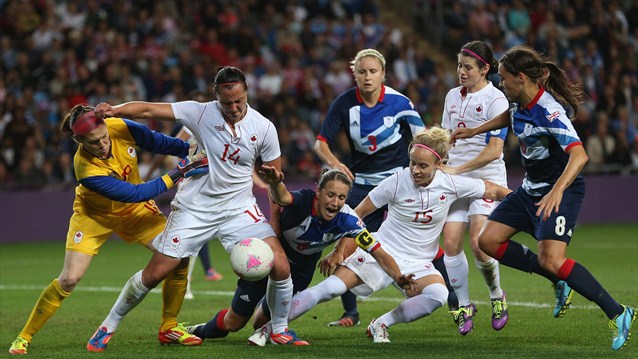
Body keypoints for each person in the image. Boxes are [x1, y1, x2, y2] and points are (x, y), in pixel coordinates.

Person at [87, 66, 308, 351]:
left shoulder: (264, 127)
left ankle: (280, 329)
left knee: (280, 264)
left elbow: (274, 183)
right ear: (216, 96)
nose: (233, 107)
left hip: (239, 209)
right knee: (155, 274)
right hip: (194, 209)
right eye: (227, 102)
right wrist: (114, 109)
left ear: (246, 94)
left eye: (238, 101)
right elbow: (147, 111)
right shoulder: (200, 112)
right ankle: (108, 325)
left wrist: (275, 218)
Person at [451, 45, 636, 351]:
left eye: (504, 78)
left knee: (552, 258)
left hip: (560, 191)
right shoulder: (519, 104)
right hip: (530, 190)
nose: (500, 84)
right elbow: (507, 119)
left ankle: (618, 312)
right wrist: (473, 131)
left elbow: (579, 156)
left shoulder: (549, 111)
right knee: (487, 241)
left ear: (521, 78)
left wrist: (557, 191)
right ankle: (558, 280)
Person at [253, 126, 511, 344]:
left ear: (439, 164)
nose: (415, 170)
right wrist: (341, 249)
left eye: (423, 166)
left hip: (419, 261)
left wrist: (521, 205)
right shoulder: (397, 181)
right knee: (329, 289)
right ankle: (272, 329)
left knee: (438, 296)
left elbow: (493, 190)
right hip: (381, 251)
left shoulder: (453, 184)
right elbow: (357, 213)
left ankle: (380, 324)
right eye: (412, 163)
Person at [8, 105, 208, 355]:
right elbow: (137, 193)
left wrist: (194, 149)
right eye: (94, 142)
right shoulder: (86, 169)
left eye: (104, 137)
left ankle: (168, 327)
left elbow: (159, 142)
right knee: (69, 279)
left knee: (178, 257)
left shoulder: (119, 126)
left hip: (136, 214)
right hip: (94, 218)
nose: (103, 144)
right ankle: (24, 336)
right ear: (79, 140)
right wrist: (182, 171)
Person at [186, 168, 416, 346]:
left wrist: (399, 276)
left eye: (342, 197)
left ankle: (277, 331)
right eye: (331, 194)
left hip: (301, 271)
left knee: (259, 323)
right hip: (269, 257)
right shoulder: (304, 201)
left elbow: (378, 251)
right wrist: (275, 183)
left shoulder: (348, 220)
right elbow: (283, 197)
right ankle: (198, 330)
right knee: (233, 323)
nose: (335, 202)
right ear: (319, 192)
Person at [313, 48, 457, 327]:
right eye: (362, 72)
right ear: (354, 74)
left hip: (400, 183)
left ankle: (453, 299)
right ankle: (350, 313)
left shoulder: (400, 102)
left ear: (383, 74)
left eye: (373, 71)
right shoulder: (343, 104)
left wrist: (439, 163)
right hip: (362, 184)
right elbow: (320, 143)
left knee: (423, 239)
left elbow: (422, 139)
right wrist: (336, 165)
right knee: (347, 241)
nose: (367, 77)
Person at [439, 40, 510, 335]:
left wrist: (456, 168)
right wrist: (438, 156)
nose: (461, 71)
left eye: (468, 67)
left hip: (486, 181)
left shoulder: (498, 100)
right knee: (451, 243)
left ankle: (497, 295)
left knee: (481, 246)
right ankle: (465, 304)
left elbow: (495, 150)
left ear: (485, 69)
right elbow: (446, 137)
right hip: (455, 182)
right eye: (459, 65)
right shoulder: (452, 96)